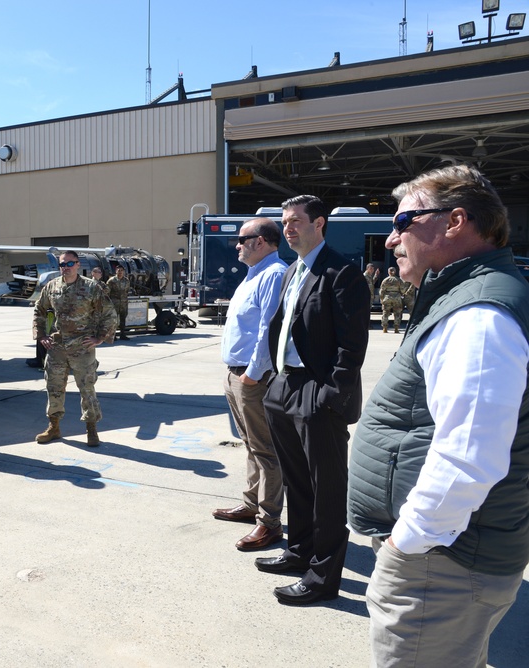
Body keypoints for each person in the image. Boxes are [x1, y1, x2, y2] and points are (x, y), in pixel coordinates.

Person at [348, 165, 529, 667]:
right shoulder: (464, 298)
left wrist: (408, 545)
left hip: (442, 561)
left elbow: (470, 456)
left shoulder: (478, 315)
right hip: (447, 556)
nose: (389, 240)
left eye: (404, 221)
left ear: (454, 222)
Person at [255, 194, 370, 605]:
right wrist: (272, 380)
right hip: (283, 386)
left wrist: (328, 395)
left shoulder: (341, 273)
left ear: (319, 224)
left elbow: (351, 346)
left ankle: (322, 577)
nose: (287, 228)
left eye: (295, 221)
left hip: (316, 391)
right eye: (284, 222)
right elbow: (282, 327)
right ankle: (300, 551)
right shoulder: (293, 272)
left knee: (326, 488)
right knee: (297, 480)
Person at [212, 218, 288, 551]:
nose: (237, 246)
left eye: (241, 240)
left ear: (260, 241)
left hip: (252, 377)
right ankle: (252, 504)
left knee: (266, 450)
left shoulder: (272, 275)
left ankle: (269, 523)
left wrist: (253, 374)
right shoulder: (253, 275)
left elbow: (268, 329)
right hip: (237, 374)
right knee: (251, 445)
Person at [33, 250, 117, 447]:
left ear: (78, 265)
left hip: (82, 347)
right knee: (53, 387)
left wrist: (100, 338)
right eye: (62, 264)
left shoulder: (91, 287)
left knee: (87, 389)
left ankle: (91, 430)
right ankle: (53, 427)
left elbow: (110, 313)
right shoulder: (52, 286)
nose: (66, 268)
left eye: (70, 264)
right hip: (57, 347)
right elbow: (39, 309)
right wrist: (41, 335)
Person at [106, 263, 131, 340]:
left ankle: (122, 334)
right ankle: (113, 335)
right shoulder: (111, 281)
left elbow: (126, 291)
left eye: (121, 270)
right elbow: (107, 292)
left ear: (124, 272)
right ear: (116, 271)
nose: (120, 272)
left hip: (123, 303)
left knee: (123, 319)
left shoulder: (126, 281)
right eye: (118, 270)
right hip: (114, 303)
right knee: (114, 320)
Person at [379, 266, 405, 333]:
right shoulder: (398, 280)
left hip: (387, 297)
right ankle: (396, 328)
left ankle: (385, 328)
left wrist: (382, 299)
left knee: (385, 312)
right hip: (397, 297)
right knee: (397, 313)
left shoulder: (385, 280)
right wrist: (401, 294)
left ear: (388, 272)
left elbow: (382, 290)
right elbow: (403, 290)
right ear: (395, 272)